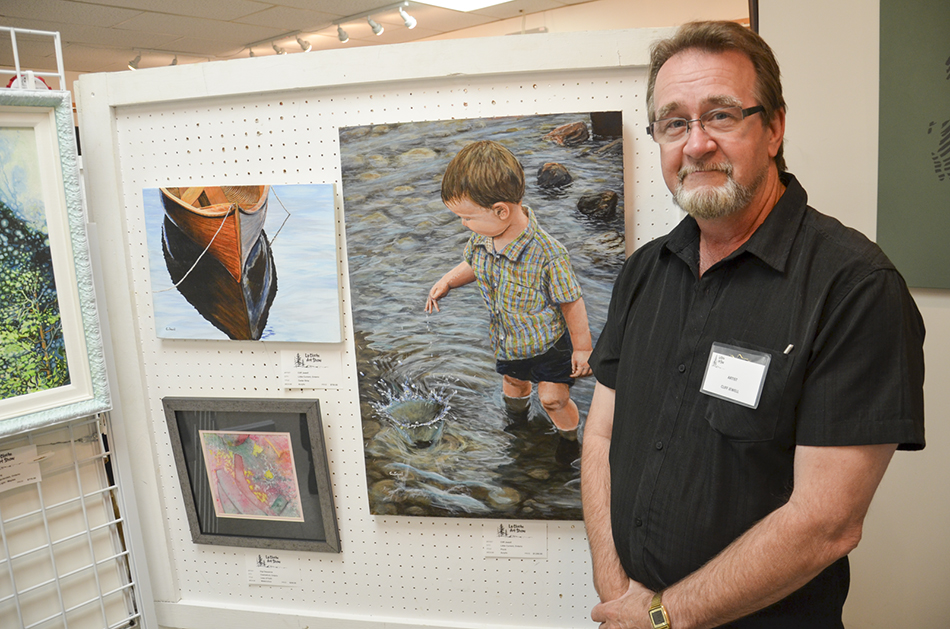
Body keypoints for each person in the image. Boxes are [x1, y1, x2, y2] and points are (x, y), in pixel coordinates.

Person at [581, 21, 925, 629]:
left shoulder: (854, 287)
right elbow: (603, 437)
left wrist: (663, 616)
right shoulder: (643, 273)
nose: (696, 145)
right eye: (674, 123)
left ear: (774, 128)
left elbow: (827, 523)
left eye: (721, 116)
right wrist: (620, 596)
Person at [425, 140, 593, 447]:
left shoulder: (548, 254)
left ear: (501, 211)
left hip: (549, 344)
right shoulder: (481, 240)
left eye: (468, 217)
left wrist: (582, 349)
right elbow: (474, 265)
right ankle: (517, 429)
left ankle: (569, 444)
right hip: (509, 340)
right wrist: (448, 280)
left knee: (553, 398)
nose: (464, 225)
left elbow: (571, 302)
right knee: (514, 382)